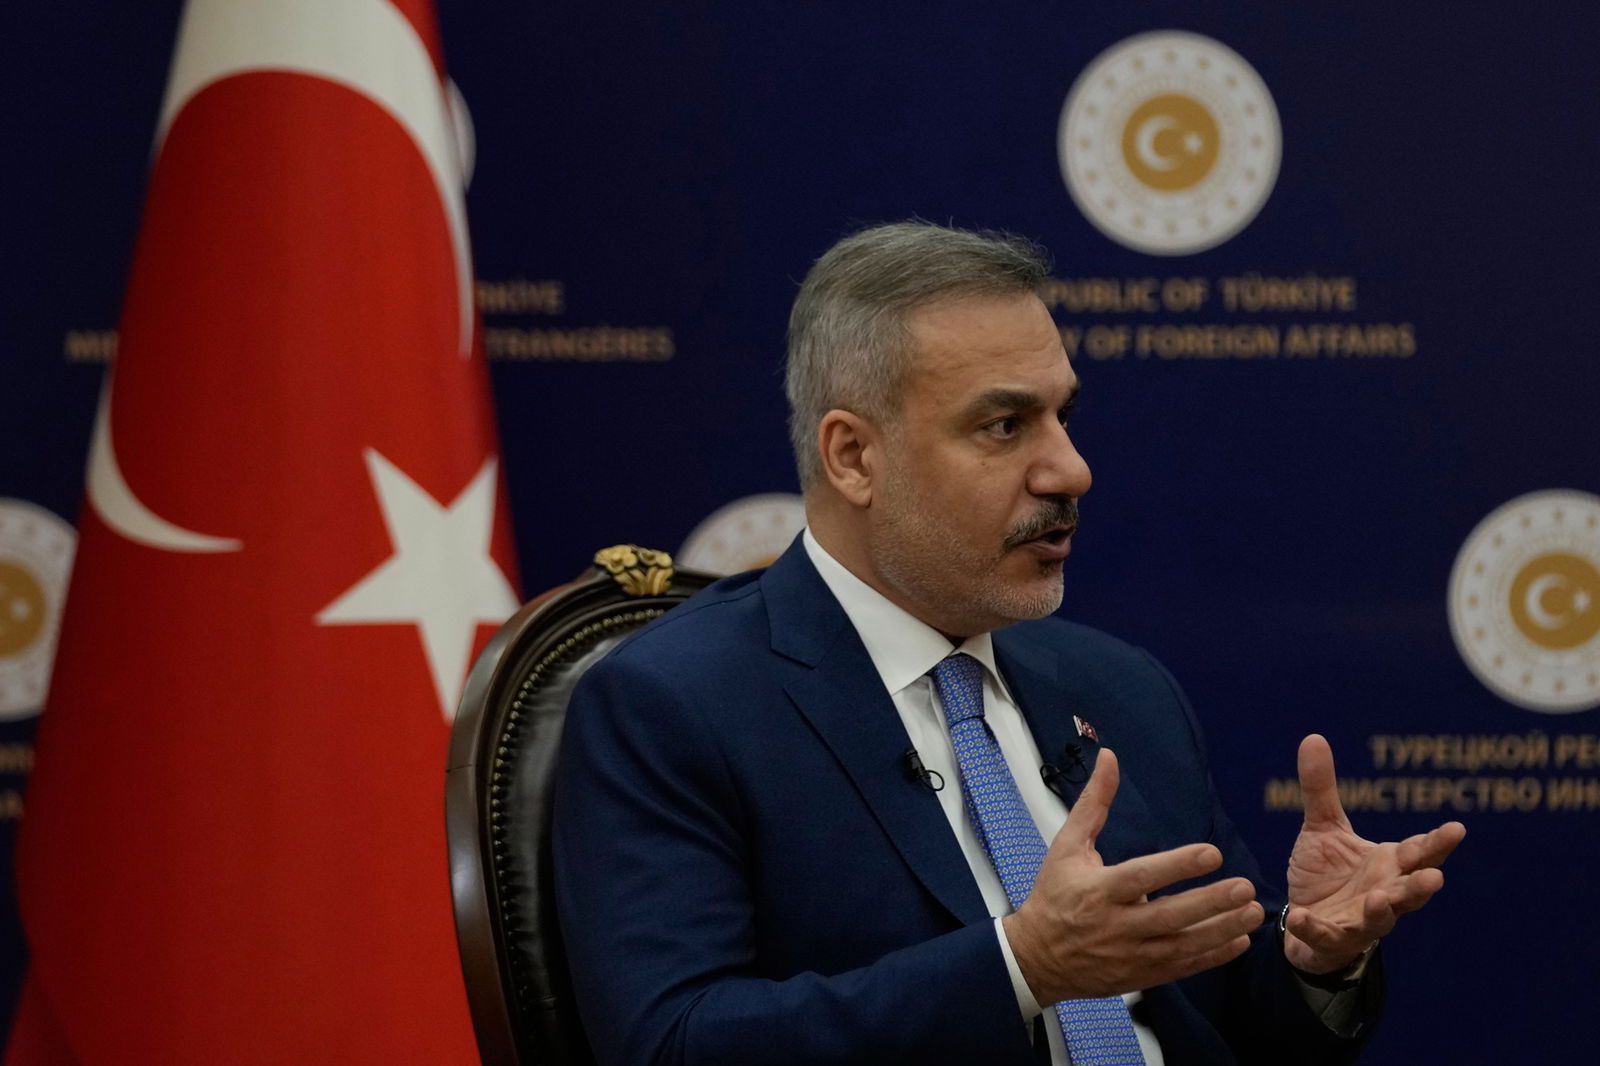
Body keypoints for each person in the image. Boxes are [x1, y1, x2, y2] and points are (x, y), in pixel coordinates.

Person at [551, 221, 1464, 1066]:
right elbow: (674, 1045)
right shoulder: (673, 706)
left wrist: (1312, 956)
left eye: (1064, 415)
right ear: (853, 457)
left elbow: (1224, 1023)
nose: (1070, 469)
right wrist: (1023, 966)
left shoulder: (1120, 687)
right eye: (1004, 425)